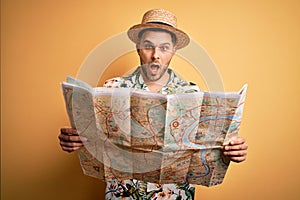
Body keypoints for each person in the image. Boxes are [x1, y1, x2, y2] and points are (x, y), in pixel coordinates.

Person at [59, 9, 248, 200]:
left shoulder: (191, 95)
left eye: (164, 48)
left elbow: (204, 151)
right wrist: (76, 140)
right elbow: (96, 144)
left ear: (174, 50)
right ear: (138, 48)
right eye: (148, 46)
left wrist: (229, 151)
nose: (156, 55)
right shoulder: (112, 88)